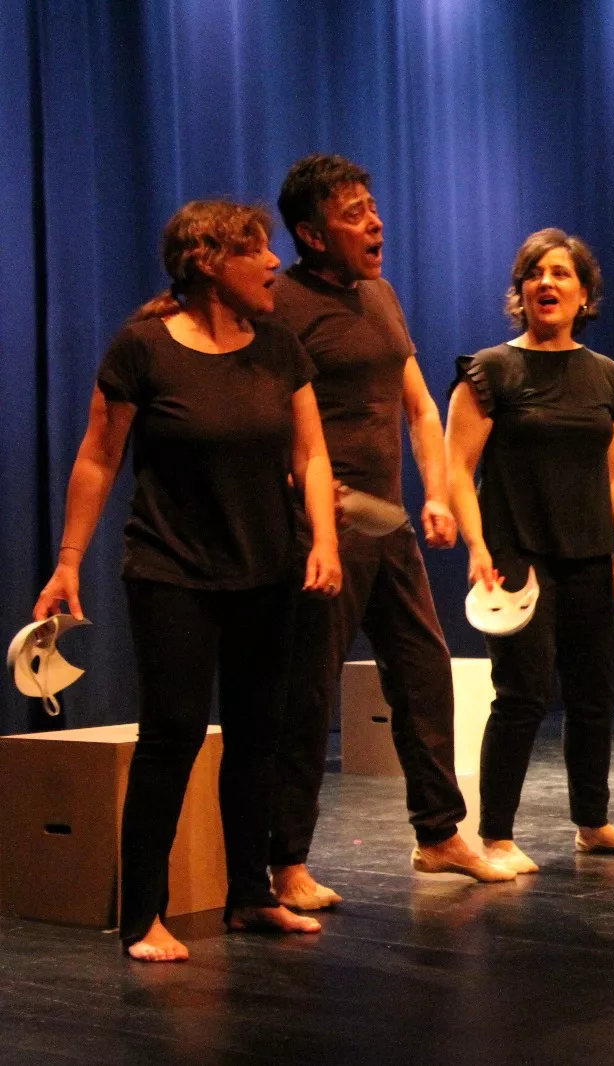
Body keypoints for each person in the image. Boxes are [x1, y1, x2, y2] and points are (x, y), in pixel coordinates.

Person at [33, 201, 338, 961]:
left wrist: (323, 540)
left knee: (258, 737)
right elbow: (98, 457)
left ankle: (249, 897)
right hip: (172, 571)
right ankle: (144, 916)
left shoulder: (278, 345)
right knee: (170, 738)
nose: (273, 264)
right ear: (208, 259)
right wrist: (68, 561)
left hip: (267, 569)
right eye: (257, 250)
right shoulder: (143, 349)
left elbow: (312, 454)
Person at [268, 154, 508, 906]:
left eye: (372, 206)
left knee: (425, 674)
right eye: (352, 213)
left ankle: (439, 837)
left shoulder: (379, 294)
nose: (374, 222)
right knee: (308, 695)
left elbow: (419, 407)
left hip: (389, 522)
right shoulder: (278, 304)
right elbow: (263, 417)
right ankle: (287, 862)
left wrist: (436, 492)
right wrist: (307, 504)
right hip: (323, 528)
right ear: (310, 234)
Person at [447, 228, 614, 869]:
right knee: (523, 694)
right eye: (536, 273)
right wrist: (478, 547)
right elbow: (457, 468)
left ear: (584, 294)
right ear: (521, 291)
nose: (547, 282)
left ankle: (593, 823)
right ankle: (497, 836)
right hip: (518, 553)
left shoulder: (609, 378)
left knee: (593, 694)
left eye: (562, 273)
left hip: (591, 553)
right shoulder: (492, 370)